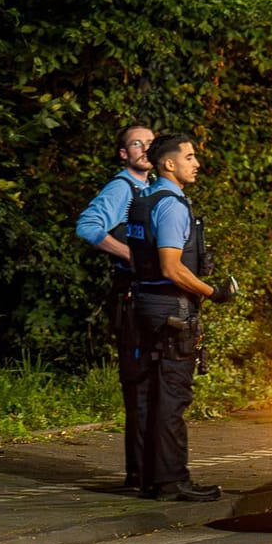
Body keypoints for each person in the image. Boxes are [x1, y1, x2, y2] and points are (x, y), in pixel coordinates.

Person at [126, 133, 236, 502]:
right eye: (189, 157)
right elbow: (172, 267)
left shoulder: (143, 200)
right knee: (173, 397)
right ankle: (173, 480)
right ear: (168, 164)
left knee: (148, 394)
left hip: (144, 306)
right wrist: (214, 293)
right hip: (171, 311)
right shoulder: (171, 206)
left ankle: (147, 477)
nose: (196, 163)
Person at [74, 124, 157, 490]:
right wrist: (133, 256)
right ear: (124, 153)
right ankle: (137, 475)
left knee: (153, 389)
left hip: (146, 298)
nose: (144, 149)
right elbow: (88, 227)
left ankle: (149, 471)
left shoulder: (148, 190)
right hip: (131, 300)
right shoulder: (121, 188)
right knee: (139, 388)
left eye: (150, 143)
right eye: (136, 143)